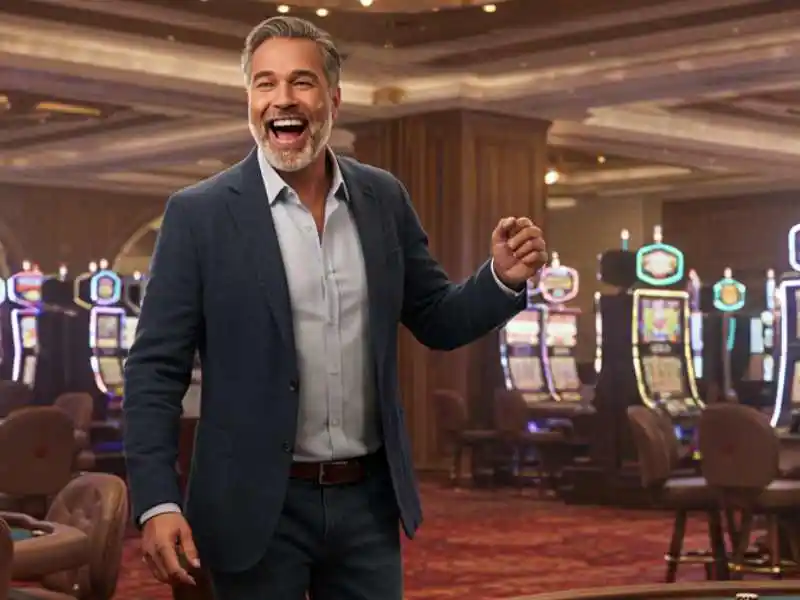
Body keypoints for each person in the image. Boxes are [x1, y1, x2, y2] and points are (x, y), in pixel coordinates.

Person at [123, 15, 548, 600]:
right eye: (265, 84)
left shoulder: (383, 199)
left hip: (366, 505)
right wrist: (156, 499)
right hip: (248, 507)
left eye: (301, 82)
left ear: (334, 100)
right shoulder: (198, 215)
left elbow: (437, 319)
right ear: (249, 99)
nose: (282, 99)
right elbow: (154, 370)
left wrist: (501, 278)